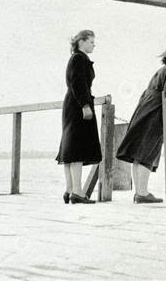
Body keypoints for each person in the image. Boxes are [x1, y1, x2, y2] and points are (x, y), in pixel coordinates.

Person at [116, 45, 166, 203]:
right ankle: (142, 193)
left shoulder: (163, 69)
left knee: (139, 153)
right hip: (156, 111)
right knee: (148, 152)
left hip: (145, 108)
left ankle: (139, 192)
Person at [56, 30, 102, 204]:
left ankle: (70, 190)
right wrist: (85, 105)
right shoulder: (79, 59)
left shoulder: (76, 58)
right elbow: (78, 82)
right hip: (78, 105)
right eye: (91, 41)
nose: (94, 45)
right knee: (77, 148)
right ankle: (77, 192)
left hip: (72, 104)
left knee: (71, 148)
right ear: (81, 42)